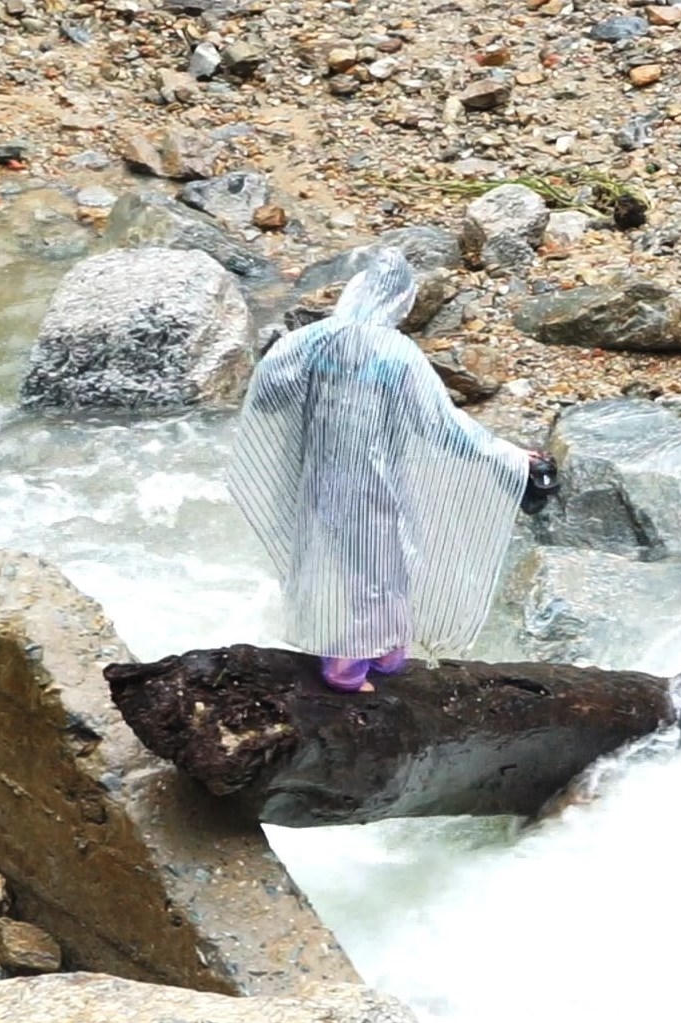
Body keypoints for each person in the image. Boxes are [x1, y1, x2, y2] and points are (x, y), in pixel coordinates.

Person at [228, 247, 553, 692]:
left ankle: (385, 650)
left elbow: (270, 386)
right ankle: (344, 670)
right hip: (372, 485)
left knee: (357, 565)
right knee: (375, 571)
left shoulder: (314, 340)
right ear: (400, 299)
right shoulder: (397, 354)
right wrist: (510, 457)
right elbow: (441, 425)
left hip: (320, 479)